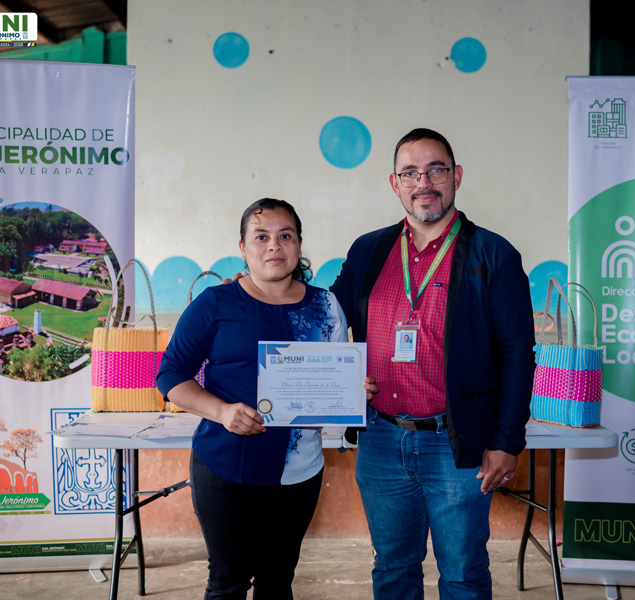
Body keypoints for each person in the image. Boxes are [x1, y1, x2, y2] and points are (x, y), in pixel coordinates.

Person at [330, 128, 536, 599]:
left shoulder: (494, 255)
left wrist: (506, 441)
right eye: (410, 173)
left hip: (455, 443)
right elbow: (324, 316)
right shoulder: (368, 250)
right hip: (381, 438)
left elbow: (517, 355)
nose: (423, 183)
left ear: (456, 176)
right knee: (392, 569)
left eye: (436, 170)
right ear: (394, 183)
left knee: (463, 574)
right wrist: (261, 288)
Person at [156, 198, 377, 600]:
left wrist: (352, 391)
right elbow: (170, 375)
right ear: (242, 248)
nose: (274, 245)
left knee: (277, 583)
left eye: (285, 236)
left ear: (299, 244)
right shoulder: (215, 302)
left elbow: (333, 377)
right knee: (227, 584)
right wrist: (222, 411)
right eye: (261, 237)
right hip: (225, 468)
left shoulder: (326, 306)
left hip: (298, 472)